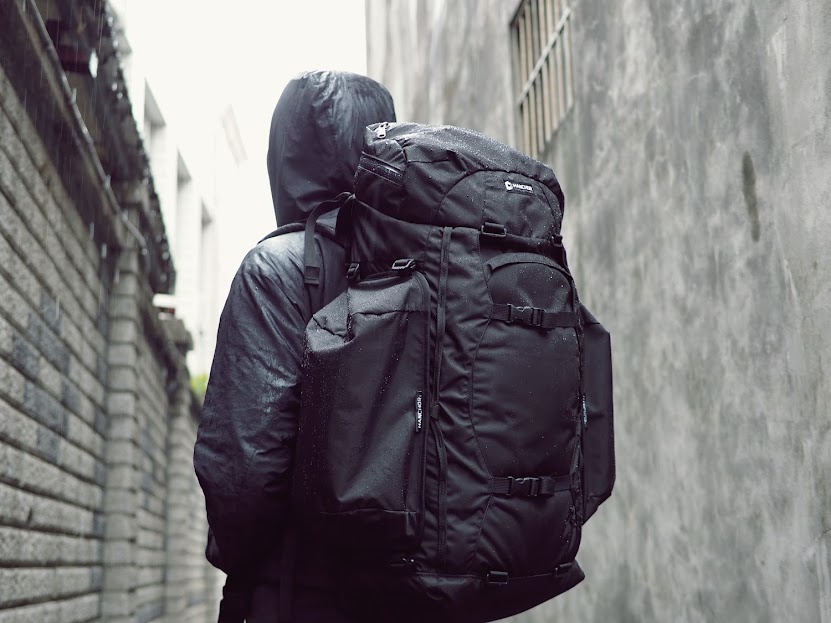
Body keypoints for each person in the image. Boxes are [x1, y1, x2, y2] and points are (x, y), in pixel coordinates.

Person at [193, 70, 397, 623]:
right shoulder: (432, 267)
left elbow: (244, 475)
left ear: (287, 157)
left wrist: (238, 560)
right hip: (424, 599)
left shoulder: (276, 271)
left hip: (301, 596)